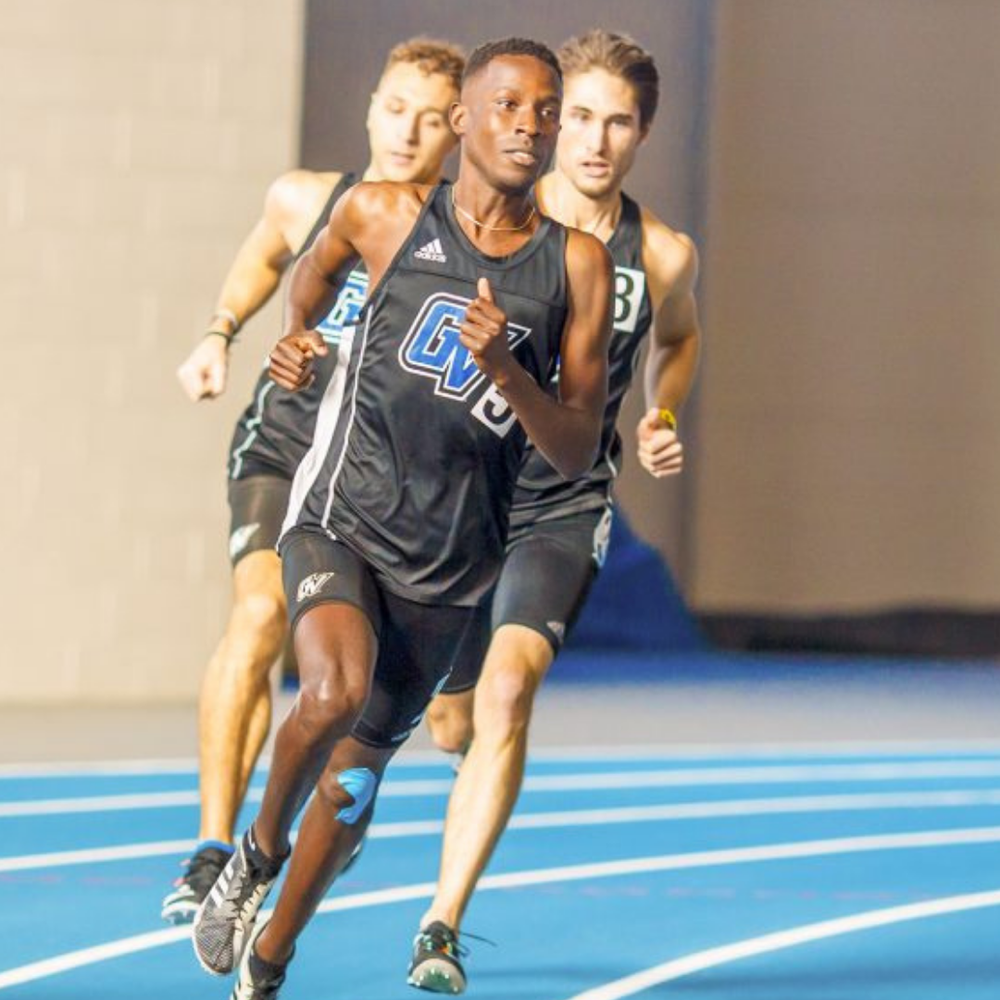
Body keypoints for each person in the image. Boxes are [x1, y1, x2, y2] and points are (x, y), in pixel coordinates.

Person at [191, 37, 613, 1000]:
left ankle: (270, 960)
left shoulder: (574, 267)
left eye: (545, 110)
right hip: (343, 514)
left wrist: (508, 369)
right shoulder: (384, 214)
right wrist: (298, 340)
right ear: (466, 120)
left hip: (453, 563)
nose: (531, 124)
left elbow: (576, 447)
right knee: (330, 691)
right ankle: (253, 854)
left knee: (353, 784)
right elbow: (313, 274)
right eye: (509, 105)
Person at [408, 29, 702, 994]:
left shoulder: (657, 252)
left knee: (508, 694)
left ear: (643, 132)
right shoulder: (492, 215)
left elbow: (682, 339)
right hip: (461, 500)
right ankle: (464, 764)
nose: (594, 141)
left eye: (618, 123)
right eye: (578, 115)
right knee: (451, 722)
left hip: (563, 500)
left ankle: (440, 927)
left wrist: (658, 412)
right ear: (548, 117)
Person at [161, 37, 465, 925]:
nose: (410, 130)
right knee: (256, 618)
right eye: (397, 106)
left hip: (379, 479)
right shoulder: (305, 197)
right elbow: (263, 257)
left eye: (435, 117)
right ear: (371, 105)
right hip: (286, 449)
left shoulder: (459, 235)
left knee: (362, 691)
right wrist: (219, 333)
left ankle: (326, 824)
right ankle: (215, 850)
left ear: (458, 134)